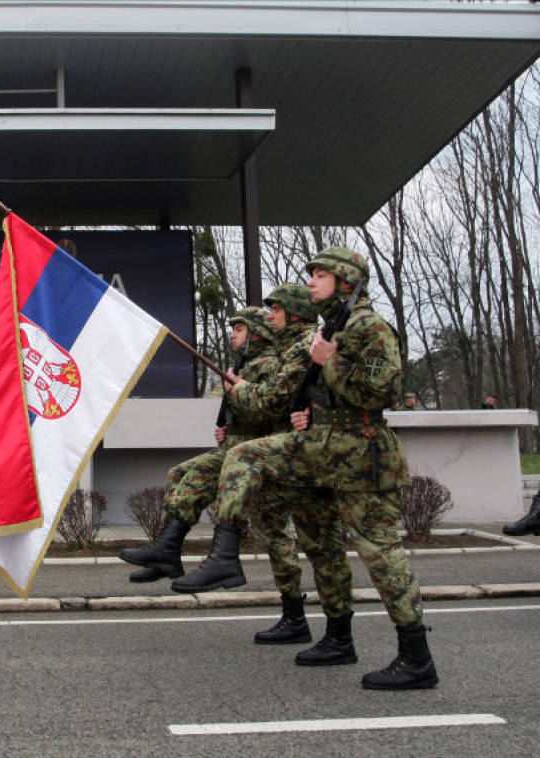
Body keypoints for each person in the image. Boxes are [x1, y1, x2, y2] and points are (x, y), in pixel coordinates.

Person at [197, 247, 438, 690]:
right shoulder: (335, 326)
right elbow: (321, 390)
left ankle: (416, 656)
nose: (311, 281)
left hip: (360, 453)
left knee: (380, 552)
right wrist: (309, 410)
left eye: (321, 274)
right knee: (320, 542)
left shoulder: (371, 326)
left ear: (347, 281)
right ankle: (337, 636)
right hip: (324, 447)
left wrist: (332, 362)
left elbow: (383, 391)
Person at [171, 284, 348, 645]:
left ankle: (334, 633)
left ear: (296, 312)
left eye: (276, 309)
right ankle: (307, 623)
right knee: (306, 544)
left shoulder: (302, 347)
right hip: (290, 455)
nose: (269, 316)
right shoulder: (291, 349)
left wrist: (239, 392)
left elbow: (271, 402)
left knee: (320, 546)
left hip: (305, 458)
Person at [118, 307, 278, 584]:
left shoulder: (267, 365)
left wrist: (237, 393)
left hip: (254, 453)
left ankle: (171, 552)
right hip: (234, 447)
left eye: (240, 329)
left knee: (275, 535)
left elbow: (271, 411)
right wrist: (229, 428)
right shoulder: (244, 364)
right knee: (178, 474)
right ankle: (166, 552)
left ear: (258, 333)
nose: (232, 334)